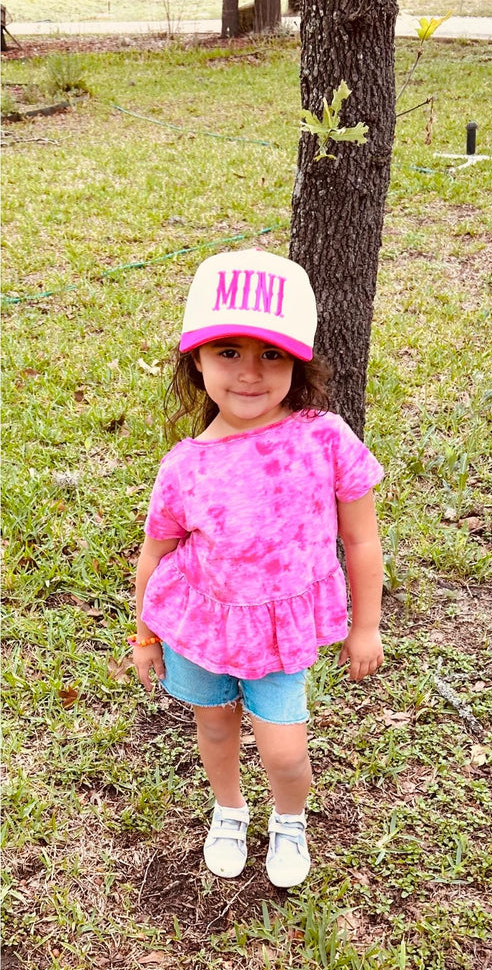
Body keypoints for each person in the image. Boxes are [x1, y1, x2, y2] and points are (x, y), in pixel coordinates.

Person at [130, 247, 384, 889]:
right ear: (197, 360)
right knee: (215, 730)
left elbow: (360, 540)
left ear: (299, 361)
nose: (249, 373)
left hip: (278, 636)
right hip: (200, 627)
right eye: (228, 351)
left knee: (286, 752)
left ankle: (289, 819)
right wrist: (145, 635)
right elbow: (156, 556)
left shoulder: (326, 438)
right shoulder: (185, 465)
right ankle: (229, 810)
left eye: (271, 353)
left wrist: (366, 627)